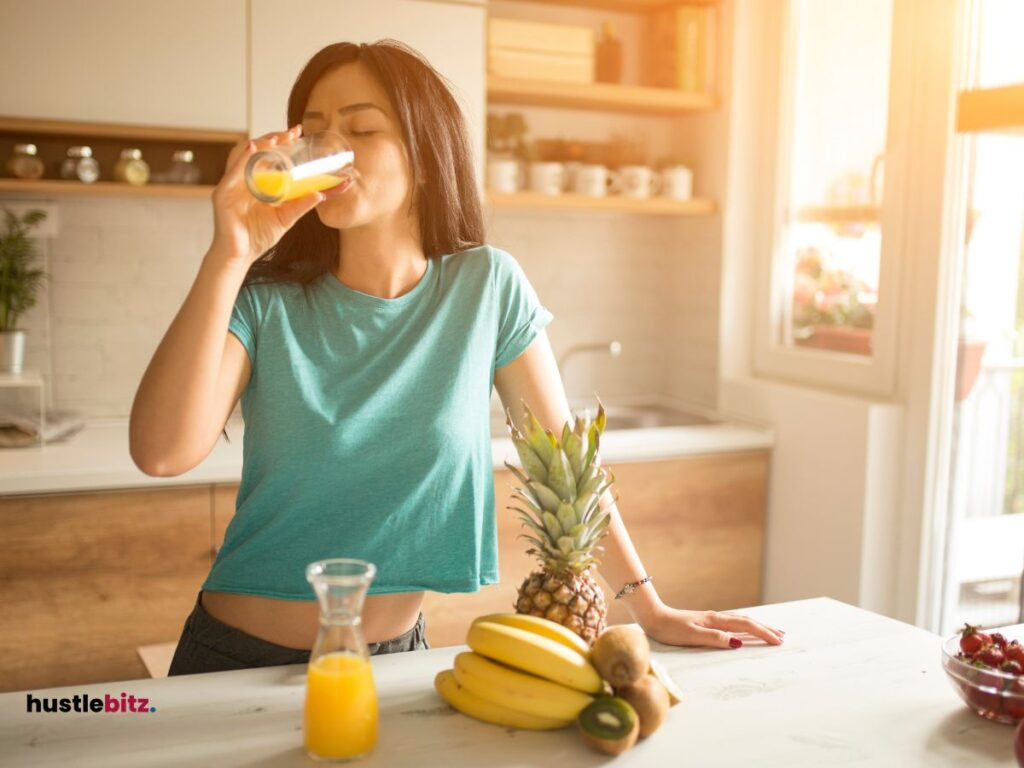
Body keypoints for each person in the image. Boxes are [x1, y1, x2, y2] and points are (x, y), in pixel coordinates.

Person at [129, 40, 785, 676]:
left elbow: (564, 467)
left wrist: (649, 609)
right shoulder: (266, 300)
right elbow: (161, 453)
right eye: (317, 132)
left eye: (361, 129)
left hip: (398, 661)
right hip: (235, 661)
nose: (332, 151)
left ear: (425, 151)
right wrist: (231, 253)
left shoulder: (486, 287)